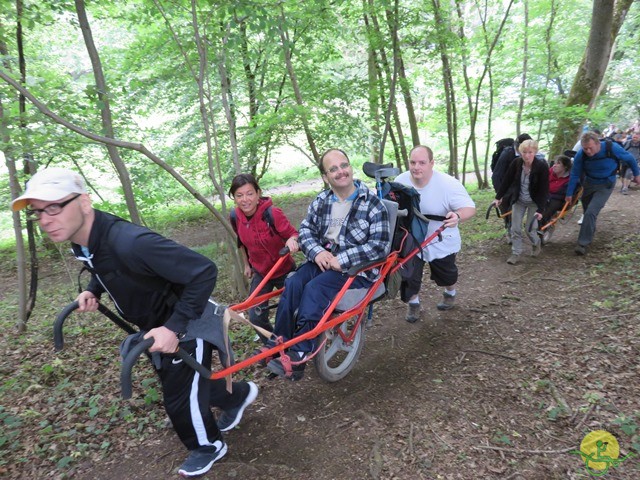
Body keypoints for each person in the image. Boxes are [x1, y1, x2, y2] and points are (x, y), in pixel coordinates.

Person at [10, 168, 259, 478]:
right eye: (38, 213)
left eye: (54, 207)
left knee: (178, 395)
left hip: (186, 320)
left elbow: (203, 271)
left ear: (84, 202)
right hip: (153, 325)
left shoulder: (129, 241)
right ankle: (237, 396)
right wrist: (92, 289)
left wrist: (173, 327)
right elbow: (103, 267)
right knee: (182, 382)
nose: (46, 219)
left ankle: (208, 446)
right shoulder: (83, 240)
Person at [265, 148, 390, 380]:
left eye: (344, 165)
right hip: (324, 261)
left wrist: (340, 259)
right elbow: (305, 231)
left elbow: (379, 247)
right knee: (293, 283)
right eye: (333, 169)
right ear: (325, 177)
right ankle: (279, 342)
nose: (341, 172)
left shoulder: (372, 204)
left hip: (356, 269)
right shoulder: (322, 201)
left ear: (350, 167)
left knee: (314, 290)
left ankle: (301, 351)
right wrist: (318, 252)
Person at [395, 145, 476, 322]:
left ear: (432, 163)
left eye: (422, 162)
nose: (417, 167)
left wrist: (457, 216)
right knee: (409, 277)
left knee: (446, 275)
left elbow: (469, 208)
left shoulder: (448, 184)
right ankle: (414, 304)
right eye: (413, 162)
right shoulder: (400, 181)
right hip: (411, 239)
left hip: (440, 238)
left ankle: (450, 292)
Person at [228, 174, 299, 345]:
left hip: (284, 269)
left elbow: (294, 235)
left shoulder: (272, 213)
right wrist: (247, 265)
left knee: (293, 311)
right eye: (239, 195)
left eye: (250, 193)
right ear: (234, 197)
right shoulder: (235, 216)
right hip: (261, 271)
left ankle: (296, 344)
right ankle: (274, 346)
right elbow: (241, 242)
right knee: (255, 316)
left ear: (258, 193)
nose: (245, 199)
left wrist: (292, 240)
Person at [566, 132, 640, 255]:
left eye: (590, 148)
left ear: (597, 143)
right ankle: (589, 232)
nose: (588, 151)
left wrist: (637, 174)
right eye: (585, 149)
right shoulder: (581, 154)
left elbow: (630, 158)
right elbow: (574, 174)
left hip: (606, 184)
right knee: (588, 212)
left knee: (590, 212)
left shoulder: (612, 148)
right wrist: (569, 193)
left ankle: (582, 244)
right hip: (589, 183)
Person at [494, 139, 549, 265]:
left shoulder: (541, 166)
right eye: (524, 152)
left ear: (535, 152)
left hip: (534, 202)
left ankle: (536, 243)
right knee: (515, 228)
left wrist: (541, 209)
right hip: (519, 200)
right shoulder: (517, 163)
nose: (527, 155)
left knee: (530, 229)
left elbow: (544, 189)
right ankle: (516, 253)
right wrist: (498, 197)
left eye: (530, 152)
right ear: (520, 152)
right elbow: (506, 181)